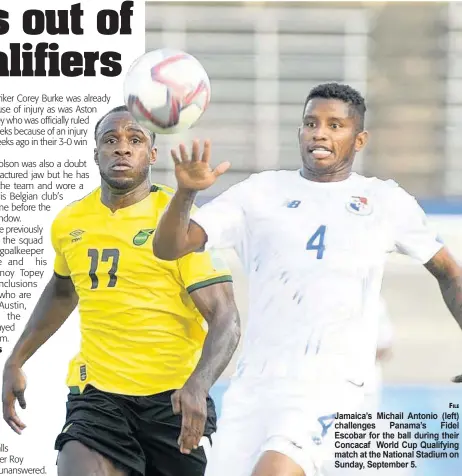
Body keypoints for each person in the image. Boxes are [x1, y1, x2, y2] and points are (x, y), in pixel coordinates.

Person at [153, 83, 462, 476]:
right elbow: (170, 247)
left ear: (359, 139)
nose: (320, 132)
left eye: (336, 125)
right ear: (299, 131)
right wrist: (184, 194)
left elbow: (451, 273)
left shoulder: (385, 201)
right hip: (255, 391)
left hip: (333, 388)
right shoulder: (259, 193)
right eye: (311, 123)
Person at [2, 105, 241, 476]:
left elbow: (225, 316)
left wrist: (199, 384)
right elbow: (63, 291)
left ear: (152, 154)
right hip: (98, 396)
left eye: (135, 140)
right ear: (95, 153)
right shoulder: (71, 222)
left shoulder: (178, 224)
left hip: (173, 400)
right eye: (110, 140)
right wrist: (16, 359)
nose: (122, 148)